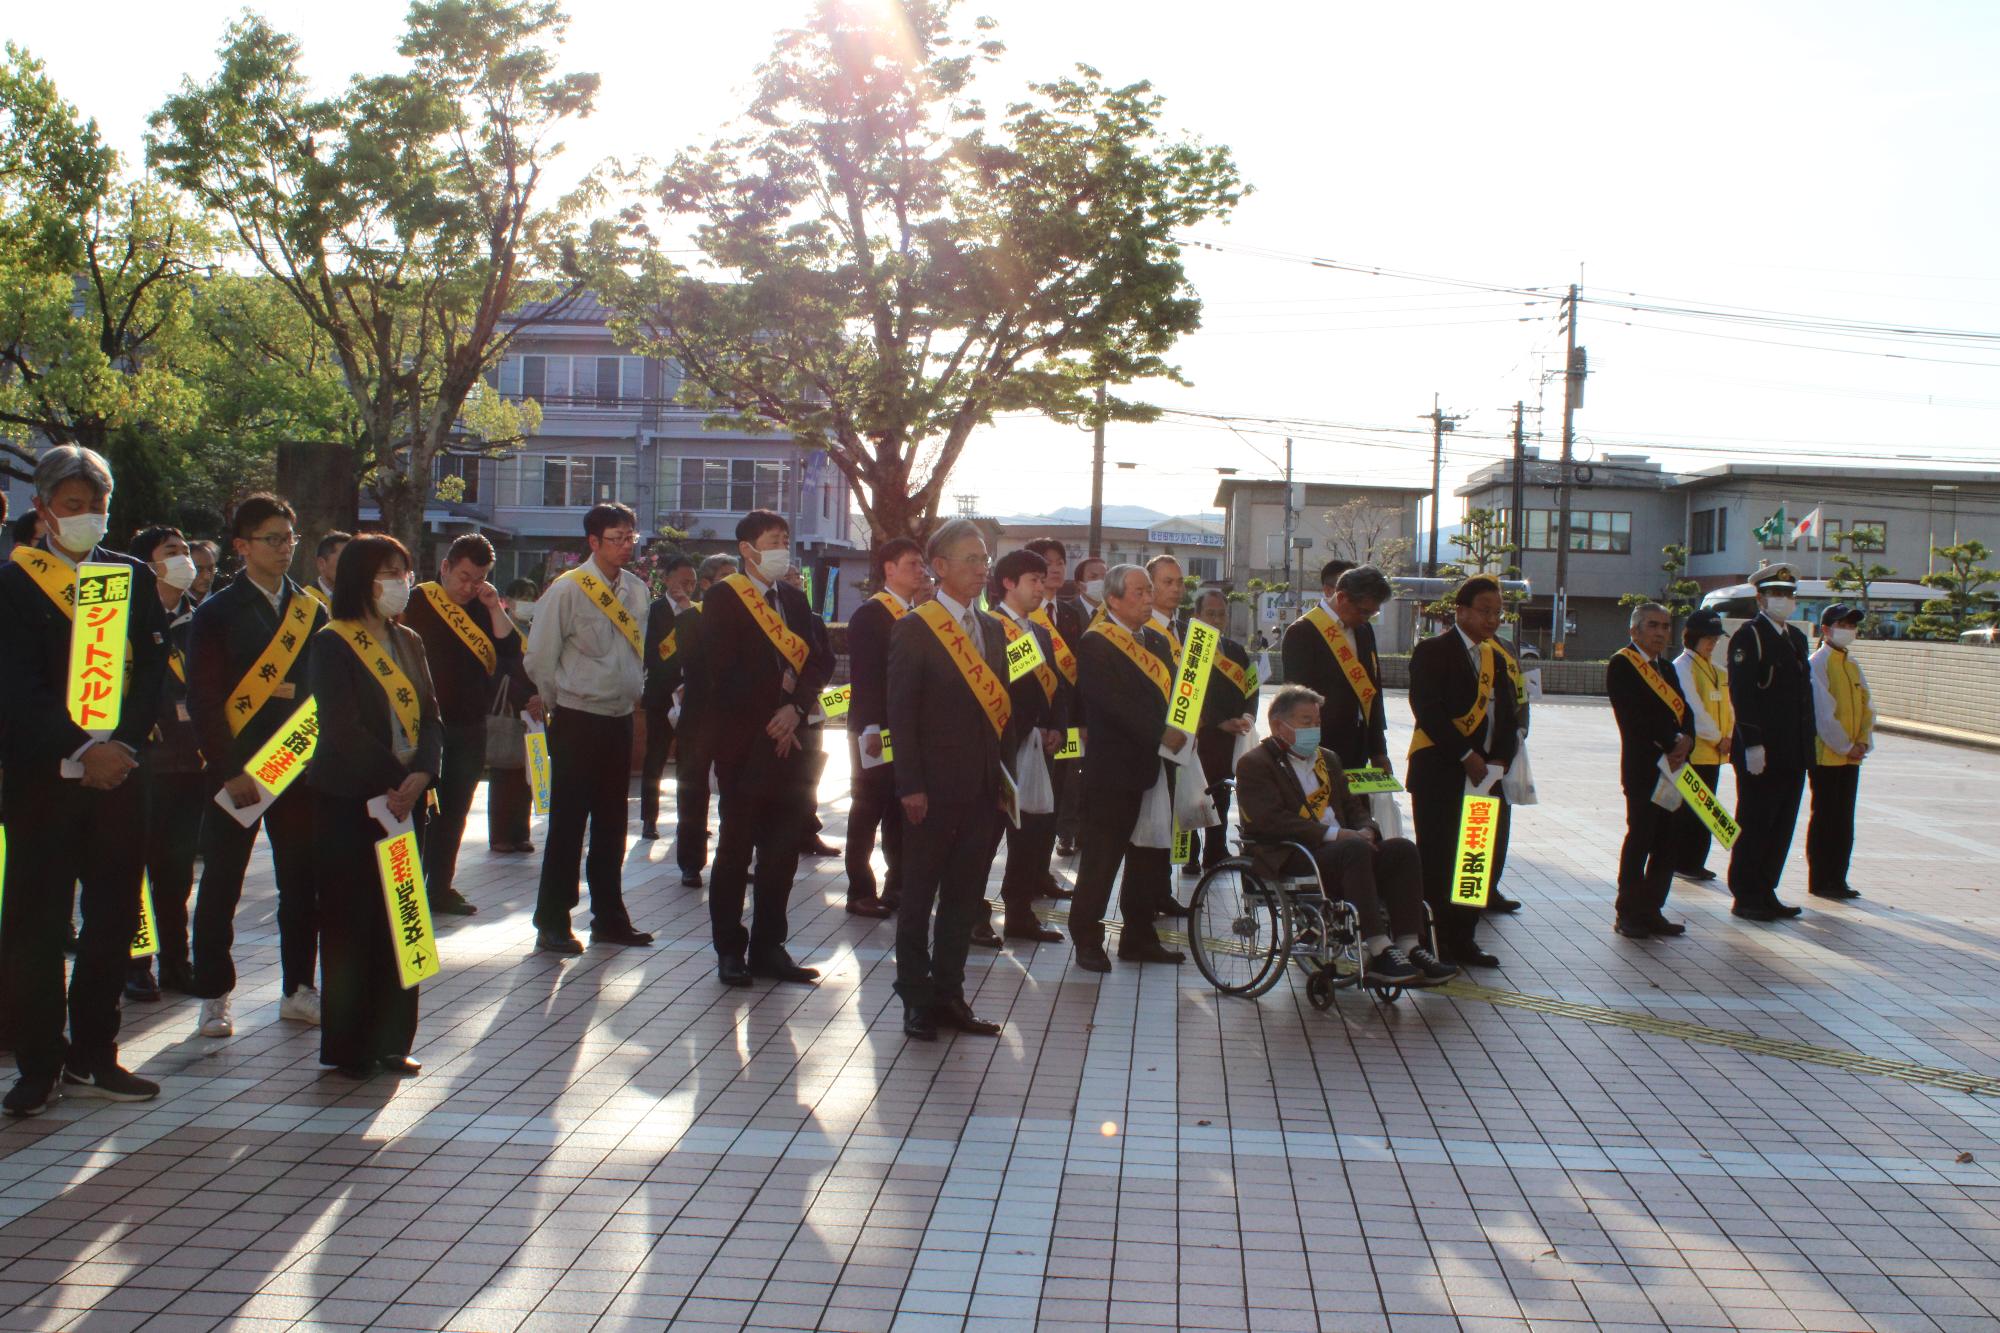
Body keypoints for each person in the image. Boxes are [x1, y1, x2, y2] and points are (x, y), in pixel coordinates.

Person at [0, 446, 170, 1117]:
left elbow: (152, 669)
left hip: (121, 777)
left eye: (98, 506)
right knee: (37, 925)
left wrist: (120, 745)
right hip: (43, 780)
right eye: (74, 506)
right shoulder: (15, 583)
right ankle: (39, 1062)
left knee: (113, 917)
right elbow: (17, 688)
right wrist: (79, 748)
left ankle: (96, 1053)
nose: (88, 517)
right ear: (43, 510)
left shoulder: (127, 575)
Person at [185, 494, 329, 1038]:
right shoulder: (216, 612)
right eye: (272, 539)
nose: (284, 548)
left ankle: (299, 988)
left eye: (290, 538)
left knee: (301, 882)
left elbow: (320, 693)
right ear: (242, 546)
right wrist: (229, 768)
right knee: (222, 882)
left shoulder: (311, 610)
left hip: (296, 766)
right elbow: (203, 699)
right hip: (237, 770)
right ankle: (214, 994)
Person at [304, 535, 441, 1077]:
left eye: (404, 571)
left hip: (405, 801)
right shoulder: (332, 642)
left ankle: (393, 1038)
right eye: (388, 572)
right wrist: (396, 777)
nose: (400, 582)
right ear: (362, 578)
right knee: (352, 921)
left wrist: (423, 773)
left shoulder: (409, 640)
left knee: (402, 918)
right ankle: (350, 1045)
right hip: (352, 800)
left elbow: (431, 716)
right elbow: (340, 727)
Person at [887, 520, 1018, 1038]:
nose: (982, 568)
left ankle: (950, 994)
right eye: (971, 559)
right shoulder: (916, 627)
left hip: (982, 788)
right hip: (931, 790)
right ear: (939, 567)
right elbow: (901, 714)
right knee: (918, 897)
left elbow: (1002, 713)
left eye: (984, 558)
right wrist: (910, 785)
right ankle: (915, 998)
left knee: (964, 897)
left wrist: (1004, 779)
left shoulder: (992, 629)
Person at [1235, 687, 1456, 986]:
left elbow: (1354, 808)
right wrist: (1336, 834)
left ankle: (1408, 945)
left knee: (1402, 850)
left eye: (1317, 722)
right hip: (1293, 853)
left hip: (1344, 849)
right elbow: (1270, 820)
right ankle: (1378, 947)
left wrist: (1368, 829)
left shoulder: (1328, 759)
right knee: (1353, 848)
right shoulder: (1255, 763)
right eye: (1305, 721)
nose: (1314, 729)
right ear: (1278, 725)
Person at [703, 510, 834, 986]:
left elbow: (819, 660)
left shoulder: (794, 600)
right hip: (744, 744)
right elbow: (718, 671)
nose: (782, 548)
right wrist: (772, 714)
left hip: (792, 741)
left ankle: (769, 947)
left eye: (785, 539)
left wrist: (794, 709)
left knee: (781, 852)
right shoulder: (723, 597)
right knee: (736, 851)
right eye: (773, 541)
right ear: (747, 549)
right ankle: (729, 949)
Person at [523, 503, 655, 953]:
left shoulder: (636, 590)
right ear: (593, 542)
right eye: (616, 538)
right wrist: (559, 703)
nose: (626, 546)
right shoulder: (567, 589)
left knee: (613, 823)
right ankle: (552, 921)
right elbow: (540, 658)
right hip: (577, 717)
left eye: (630, 537)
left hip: (619, 717)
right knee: (568, 824)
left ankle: (609, 917)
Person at [404, 534, 536, 917]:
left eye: (479, 579)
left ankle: (440, 886)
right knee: (417, 810)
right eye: (463, 577)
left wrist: (494, 606)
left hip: (470, 723)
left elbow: (510, 652)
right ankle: (408, 891)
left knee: (456, 808)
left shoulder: (482, 605)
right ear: (445, 567)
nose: (469, 587)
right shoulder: (418, 601)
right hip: (423, 725)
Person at [1069, 563, 1187, 973]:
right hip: (1113, 771)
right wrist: (1160, 733)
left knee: (1148, 857)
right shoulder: (1096, 642)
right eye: (1139, 591)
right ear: (1113, 599)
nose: (1148, 598)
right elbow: (1112, 703)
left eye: (1149, 590)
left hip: (1155, 766)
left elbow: (1169, 696)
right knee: (1101, 860)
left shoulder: (1155, 640)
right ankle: (1087, 939)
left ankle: (1139, 936)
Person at [1405, 575, 1520, 968]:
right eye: (1485, 611)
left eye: (1498, 612)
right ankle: (1435, 941)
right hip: (1440, 773)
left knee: (1474, 858)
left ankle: (1465, 939)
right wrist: (1466, 754)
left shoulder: (1495, 657)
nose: (1492, 619)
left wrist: (1500, 757)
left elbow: (1508, 714)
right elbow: (1428, 709)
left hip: (1485, 776)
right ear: (1461, 611)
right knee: (1438, 860)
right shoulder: (1432, 651)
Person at [125, 526, 206, 1001]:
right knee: (132, 868)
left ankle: (177, 960)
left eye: (185, 550)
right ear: (148, 564)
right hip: (141, 763)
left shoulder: (202, 619)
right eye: (171, 551)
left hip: (190, 763)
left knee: (176, 873)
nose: (183, 559)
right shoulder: (130, 616)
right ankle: (136, 963)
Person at [987, 548, 1070, 943]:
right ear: (1008, 583)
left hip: (1036, 749)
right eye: (1034, 580)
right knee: (986, 839)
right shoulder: (989, 626)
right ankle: (972, 916)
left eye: (1043, 579)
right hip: (1000, 749)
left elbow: (1055, 687)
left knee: (1031, 836)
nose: (1041, 587)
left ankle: (1019, 913)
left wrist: (1055, 726)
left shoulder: (1039, 632)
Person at [1726, 564, 1812, 922]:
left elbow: (1803, 697)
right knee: (1755, 823)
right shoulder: (1749, 636)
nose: (1784, 600)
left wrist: (1808, 748)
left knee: (1781, 826)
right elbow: (1742, 693)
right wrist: (1752, 743)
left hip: (1792, 751)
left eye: (1789, 594)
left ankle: (1766, 889)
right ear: (1760, 598)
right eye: (1777, 594)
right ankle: (1745, 894)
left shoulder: (1796, 638)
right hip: (1760, 751)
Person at [845, 537, 925, 919]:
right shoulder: (871, 614)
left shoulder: (917, 614)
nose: (920, 571)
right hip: (874, 731)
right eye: (912, 564)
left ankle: (898, 886)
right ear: (889, 569)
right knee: (867, 808)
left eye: (922, 564)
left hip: (906, 731)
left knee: (900, 808)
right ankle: (860, 890)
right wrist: (872, 728)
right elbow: (865, 679)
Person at [1606, 603, 1695, 939]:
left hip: (1674, 768)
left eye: (1665, 626)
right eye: (1653, 625)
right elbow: (1634, 716)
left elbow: (1685, 712)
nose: (1660, 632)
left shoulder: (1667, 668)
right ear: (1635, 630)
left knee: (1667, 840)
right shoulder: (1623, 663)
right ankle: (1628, 911)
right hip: (1644, 767)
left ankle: (1652, 908)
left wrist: (1687, 739)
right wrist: (1672, 741)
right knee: (1641, 837)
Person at [1282, 562, 1388, 776]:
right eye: (1363, 611)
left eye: (1372, 614)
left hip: (1359, 745)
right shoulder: (1302, 632)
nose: (1365, 618)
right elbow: (1297, 699)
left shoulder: (1364, 630)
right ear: (1341, 597)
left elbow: (1372, 690)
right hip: (1320, 748)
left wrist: (1379, 750)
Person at [671, 554, 736, 887]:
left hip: (734, 718)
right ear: (707, 584)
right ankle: (690, 863)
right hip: (698, 719)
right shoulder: (690, 617)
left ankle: (734, 860)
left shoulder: (748, 618)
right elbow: (691, 663)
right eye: (725, 577)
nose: (734, 583)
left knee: (736, 795)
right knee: (692, 793)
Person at [1184, 586, 1256, 874]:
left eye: (1221, 614)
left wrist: (1247, 716)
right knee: (1193, 794)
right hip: (1200, 735)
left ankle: (1216, 851)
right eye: (1210, 614)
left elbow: (1252, 686)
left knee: (1222, 794)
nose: (1216, 620)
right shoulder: (1190, 649)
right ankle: (1190, 854)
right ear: (1197, 615)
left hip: (1230, 738)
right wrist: (1217, 721)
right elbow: (1189, 693)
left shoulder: (1236, 650)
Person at [1807, 603, 1874, 901]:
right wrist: (1846, 746)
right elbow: (1824, 713)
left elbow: (1867, 706)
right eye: (1842, 625)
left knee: (1844, 819)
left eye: (1851, 625)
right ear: (1825, 629)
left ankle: (1838, 878)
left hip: (1851, 758)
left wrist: (1863, 742)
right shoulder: (1818, 663)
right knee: (1825, 818)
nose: (1848, 630)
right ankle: (1821, 879)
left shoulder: (1851, 663)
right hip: (1827, 757)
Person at [639, 553, 697, 841]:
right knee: (656, 758)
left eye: (692, 582)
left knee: (689, 763)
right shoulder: (651, 611)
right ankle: (649, 819)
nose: (688, 587)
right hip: (661, 695)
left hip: (692, 697)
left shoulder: (697, 611)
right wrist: (673, 684)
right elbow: (648, 653)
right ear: (667, 579)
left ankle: (689, 820)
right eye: (682, 581)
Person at [1670, 609, 1731, 882]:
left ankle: (1696, 861)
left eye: (1715, 639)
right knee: (1689, 810)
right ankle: (1684, 861)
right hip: (1695, 752)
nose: (1712, 644)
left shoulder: (1715, 669)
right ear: (1692, 637)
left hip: (1715, 753)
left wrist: (1728, 736)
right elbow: (1693, 709)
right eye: (1707, 638)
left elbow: (1729, 707)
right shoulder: (1682, 666)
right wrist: (1719, 737)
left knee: (1705, 810)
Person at [1055, 552, 1106, 858]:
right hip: (1071, 713)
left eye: (1105, 576)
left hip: (1103, 713)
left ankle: (1090, 831)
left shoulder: (1114, 616)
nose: (1101, 582)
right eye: (1094, 577)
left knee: (1096, 776)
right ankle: (1066, 833)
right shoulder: (1066, 613)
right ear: (1079, 584)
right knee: (1070, 777)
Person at [486, 577, 542, 855]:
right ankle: (500, 834)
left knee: (526, 774)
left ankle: (521, 833)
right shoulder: (500, 628)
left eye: (531, 597)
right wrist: (523, 698)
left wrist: (541, 696)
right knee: (504, 774)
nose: (527, 603)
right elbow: (497, 670)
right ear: (507, 601)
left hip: (535, 711)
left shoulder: (537, 631)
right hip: (509, 706)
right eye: (522, 597)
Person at [1144, 554, 1185, 657]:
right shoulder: (1138, 631)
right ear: (1149, 585)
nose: (1176, 588)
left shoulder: (1191, 634)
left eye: (1180, 582)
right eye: (1168, 582)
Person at [303, 530, 349, 611]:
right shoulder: (304, 600)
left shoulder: (359, 601)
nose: (350, 566)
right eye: (343, 560)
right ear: (321, 564)